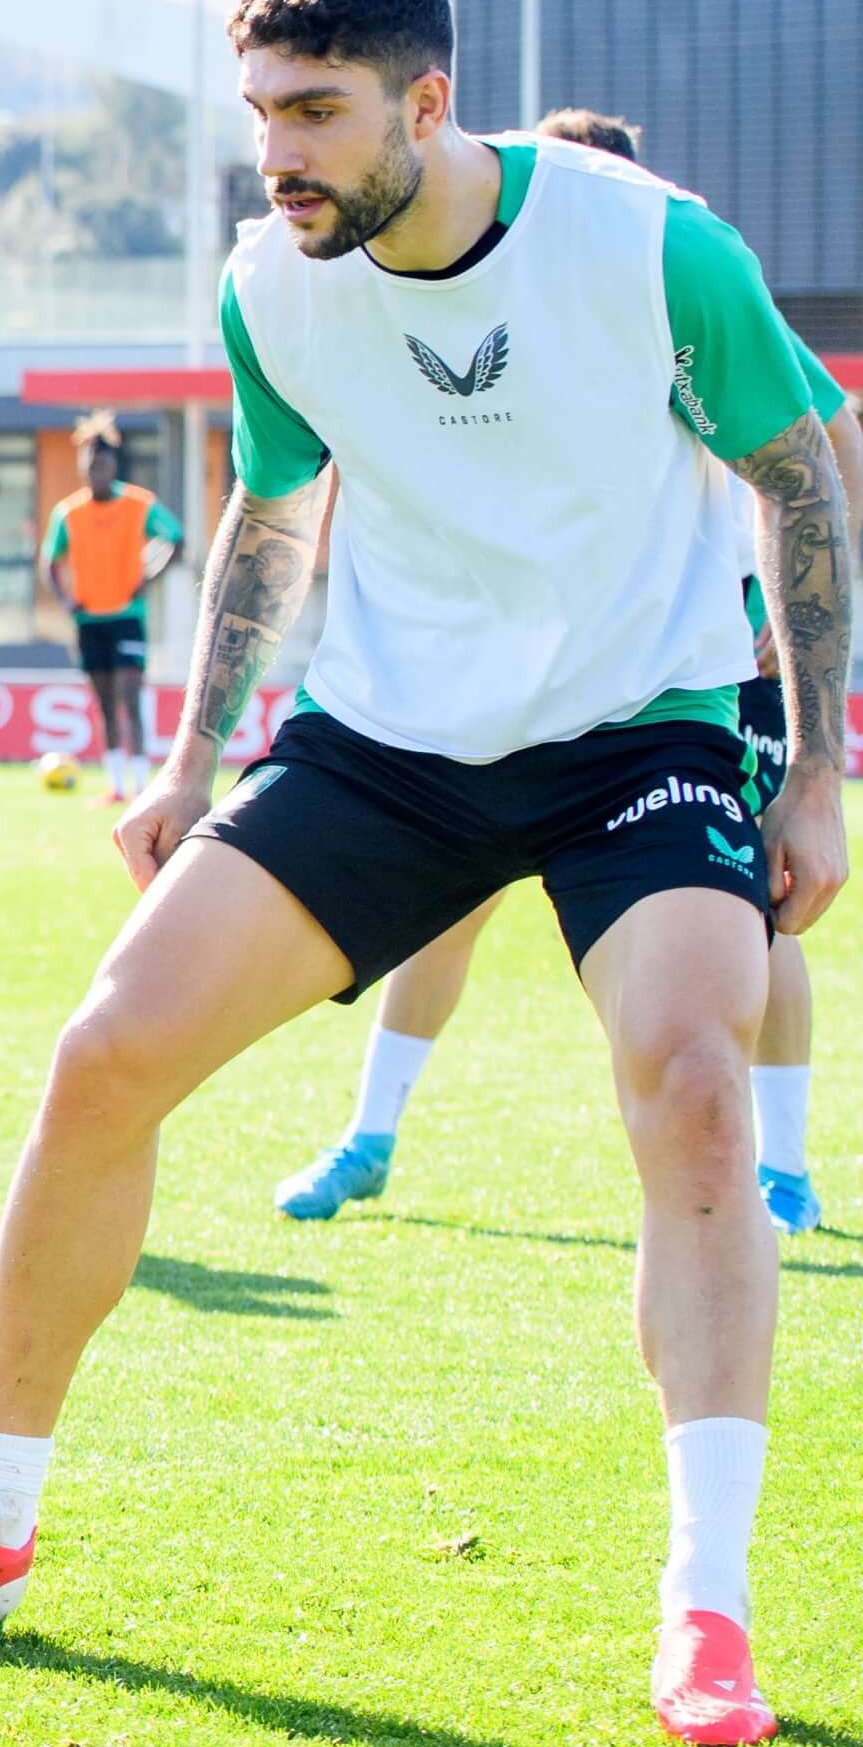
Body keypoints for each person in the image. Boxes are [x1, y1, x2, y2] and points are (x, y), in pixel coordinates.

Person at [0, 0, 853, 1747]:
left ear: (424, 103)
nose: (275, 152)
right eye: (259, 109)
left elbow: (799, 471)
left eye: (314, 112)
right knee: (106, 1053)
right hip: (390, 746)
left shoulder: (653, 246)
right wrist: (191, 758)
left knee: (692, 1086)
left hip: (641, 733)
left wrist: (816, 767)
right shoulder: (274, 280)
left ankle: (710, 1604)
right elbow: (272, 511)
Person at [277, 107, 859, 1240]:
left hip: (692, 672)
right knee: (446, 907)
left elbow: (825, 447)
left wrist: (786, 612)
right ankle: (369, 1137)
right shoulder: (499, 298)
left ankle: (782, 1170)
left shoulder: (668, 278)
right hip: (517, 670)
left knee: (756, 917)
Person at [39, 412, 180, 804]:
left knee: (129, 698)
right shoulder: (69, 513)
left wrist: (147, 578)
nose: (94, 470)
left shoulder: (139, 505)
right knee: (103, 704)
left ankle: (141, 786)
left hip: (127, 619)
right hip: (89, 621)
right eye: (88, 464)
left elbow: (176, 539)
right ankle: (116, 786)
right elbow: (49, 560)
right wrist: (67, 600)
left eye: (100, 463)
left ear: (112, 465)